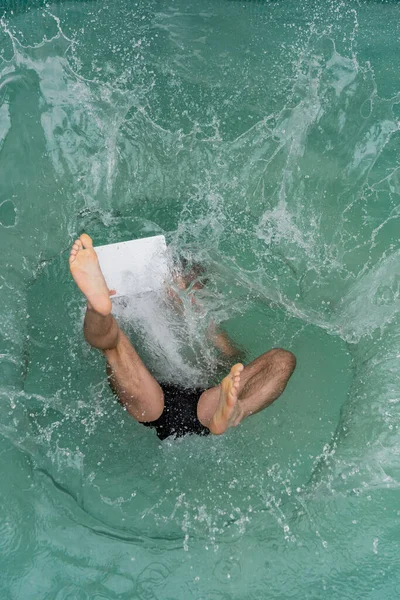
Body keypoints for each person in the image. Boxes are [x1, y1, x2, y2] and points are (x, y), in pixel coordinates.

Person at [69, 233, 296, 440]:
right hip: (150, 394)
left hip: (205, 404)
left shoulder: (206, 322)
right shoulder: (142, 306)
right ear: (167, 280)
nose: (189, 293)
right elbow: (107, 340)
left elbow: (235, 358)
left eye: (197, 287)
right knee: (113, 343)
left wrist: (212, 354)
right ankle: (97, 307)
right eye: (184, 283)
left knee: (283, 360)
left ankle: (239, 409)